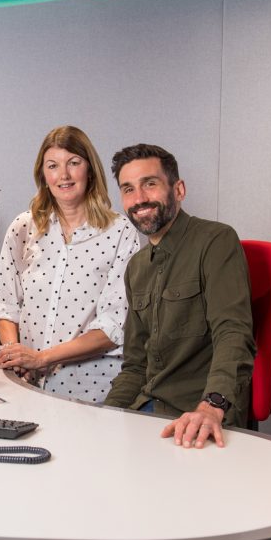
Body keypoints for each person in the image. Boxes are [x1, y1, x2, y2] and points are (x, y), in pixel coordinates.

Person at [104, 144, 255, 448]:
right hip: (147, 411)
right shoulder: (136, 267)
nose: (139, 199)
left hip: (198, 413)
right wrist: (105, 415)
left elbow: (233, 332)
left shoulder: (215, 241)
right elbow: (135, 364)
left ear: (179, 189)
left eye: (150, 184)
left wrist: (213, 405)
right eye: (128, 189)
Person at [0, 126, 140, 403]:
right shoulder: (24, 227)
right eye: (53, 166)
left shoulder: (120, 231)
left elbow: (113, 326)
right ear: (43, 176)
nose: (64, 175)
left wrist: (41, 358)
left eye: (74, 163)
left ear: (90, 170)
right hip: (25, 382)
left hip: (92, 388)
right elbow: (5, 304)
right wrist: (15, 353)